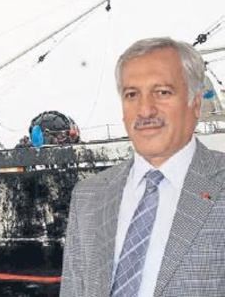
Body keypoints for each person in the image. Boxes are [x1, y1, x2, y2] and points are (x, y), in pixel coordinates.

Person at [61, 37, 225, 297]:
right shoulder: (87, 196)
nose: (145, 110)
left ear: (195, 104)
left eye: (162, 92)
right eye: (132, 95)